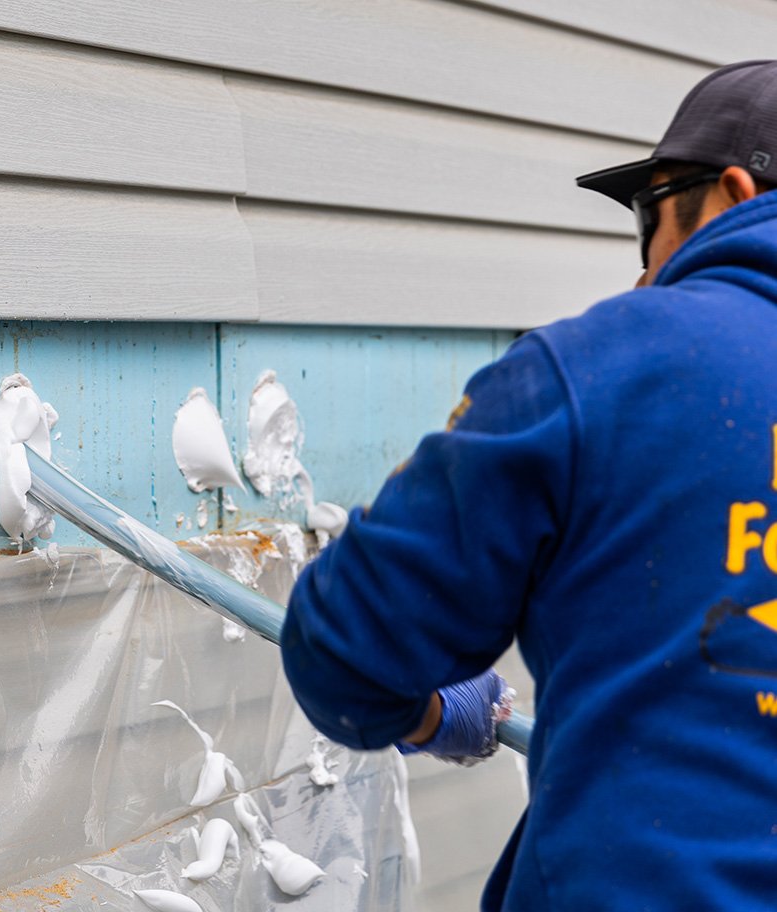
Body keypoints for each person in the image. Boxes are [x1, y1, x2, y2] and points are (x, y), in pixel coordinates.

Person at [281, 59, 777, 910]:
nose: (644, 271)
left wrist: (434, 714)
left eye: (649, 219)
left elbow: (342, 650)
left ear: (730, 195)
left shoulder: (602, 366)